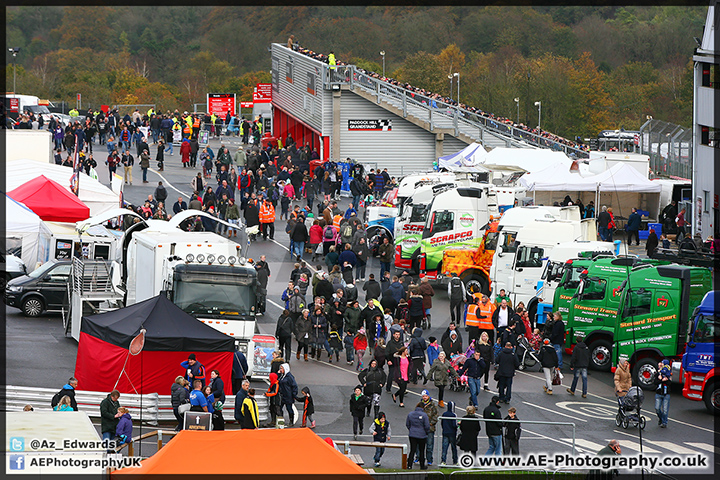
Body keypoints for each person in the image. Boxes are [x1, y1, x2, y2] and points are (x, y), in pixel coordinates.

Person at [416, 390, 439, 466]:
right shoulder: (419, 404)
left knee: (429, 445)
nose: (424, 397)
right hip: (420, 428)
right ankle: (418, 457)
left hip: (430, 428)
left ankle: (429, 460)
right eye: (423, 396)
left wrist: (431, 423)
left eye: (426, 396)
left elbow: (436, 415)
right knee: (419, 445)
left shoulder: (433, 405)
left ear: (428, 396)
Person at [405, 402, 430, 470]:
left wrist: (411, 430)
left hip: (412, 435)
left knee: (412, 450)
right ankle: (422, 465)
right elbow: (427, 426)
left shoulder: (410, 414)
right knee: (422, 450)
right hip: (422, 435)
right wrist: (426, 432)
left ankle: (409, 465)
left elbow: (407, 424)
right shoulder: (424, 415)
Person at [440, 401, 458, 467]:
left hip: (445, 432)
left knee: (444, 447)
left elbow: (442, 423)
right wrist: (457, 426)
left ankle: (443, 460)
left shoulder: (444, 414)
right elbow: (454, 425)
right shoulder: (453, 415)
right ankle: (455, 461)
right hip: (452, 433)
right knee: (453, 448)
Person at [655, 359, 671, 428]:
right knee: (657, 408)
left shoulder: (668, 373)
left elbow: (670, 383)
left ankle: (664, 422)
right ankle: (661, 418)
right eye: (659, 366)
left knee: (665, 410)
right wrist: (661, 380)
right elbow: (655, 382)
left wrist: (665, 380)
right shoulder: (658, 374)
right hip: (658, 394)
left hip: (666, 394)